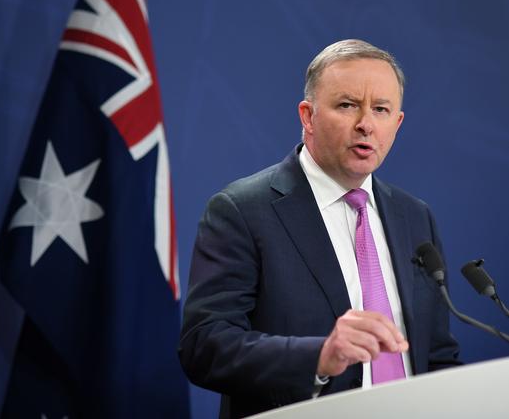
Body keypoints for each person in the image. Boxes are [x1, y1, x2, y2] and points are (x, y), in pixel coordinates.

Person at [178, 39, 460, 418]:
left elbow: (436, 353)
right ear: (307, 116)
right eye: (347, 105)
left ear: (397, 123)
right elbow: (204, 347)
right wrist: (319, 357)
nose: (365, 124)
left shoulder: (415, 216)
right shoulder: (243, 211)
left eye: (380, 109)